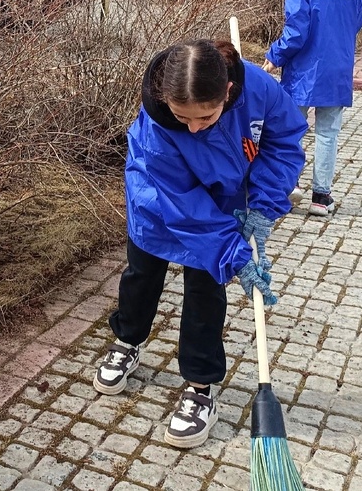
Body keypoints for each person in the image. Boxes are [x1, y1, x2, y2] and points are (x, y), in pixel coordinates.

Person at [94, 39, 306, 450]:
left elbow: (283, 142)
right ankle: (128, 340)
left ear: (227, 92)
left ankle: (199, 384)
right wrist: (234, 255)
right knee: (142, 276)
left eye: (206, 116)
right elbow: (186, 208)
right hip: (159, 202)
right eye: (182, 116)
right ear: (164, 98)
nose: (194, 127)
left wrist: (263, 205)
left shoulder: (258, 89)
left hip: (225, 203)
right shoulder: (158, 129)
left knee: (206, 292)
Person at [263, 0, 362, 217]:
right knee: (328, 134)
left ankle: (289, 185)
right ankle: (321, 196)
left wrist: (275, 56)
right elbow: (358, 22)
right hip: (338, 70)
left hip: (304, 71)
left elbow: (296, 31)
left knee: (290, 131)